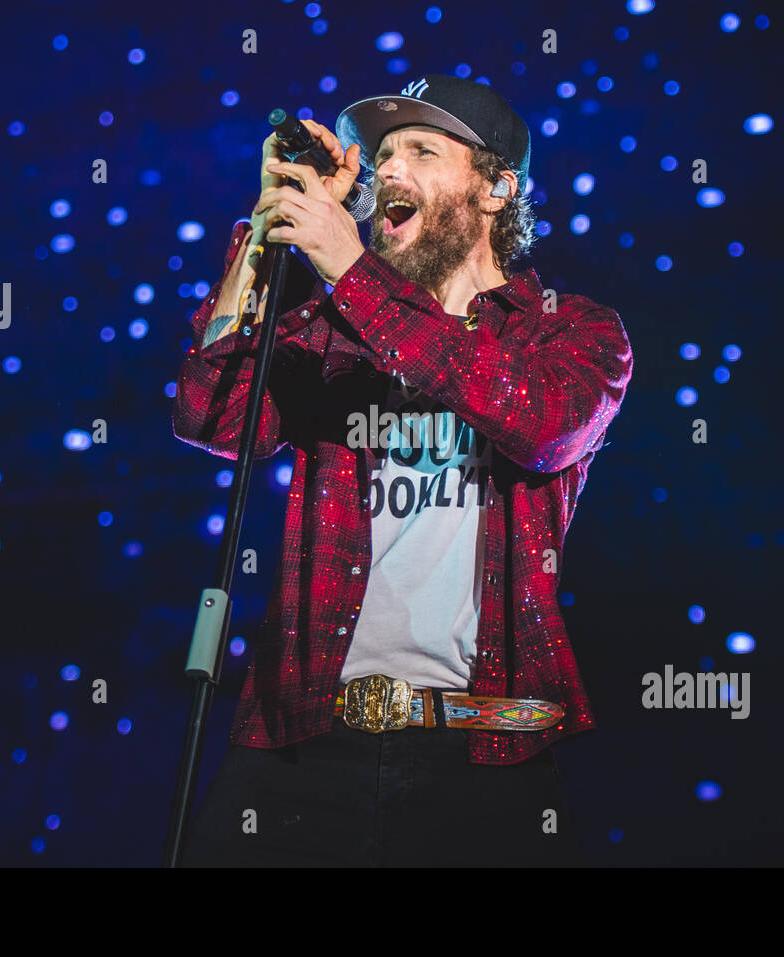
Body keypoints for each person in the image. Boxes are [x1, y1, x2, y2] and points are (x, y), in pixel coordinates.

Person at [173, 74, 633, 866]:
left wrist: (353, 273)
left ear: (495, 190)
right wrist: (266, 229)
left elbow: (541, 425)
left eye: (421, 151)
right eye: (383, 154)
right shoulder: (333, 329)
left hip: (488, 744)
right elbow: (210, 415)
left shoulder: (570, 331)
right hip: (304, 734)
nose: (389, 168)